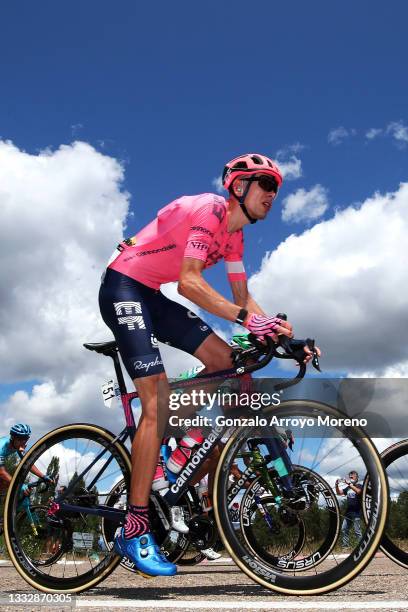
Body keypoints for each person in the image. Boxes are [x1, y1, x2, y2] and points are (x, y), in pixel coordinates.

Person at [99, 153, 320, 577]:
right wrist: (249, 320)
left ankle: (169, 439)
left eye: (277, 188)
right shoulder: (212, 209)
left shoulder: (235, 238)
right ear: (239, 186)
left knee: (225, 360)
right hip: (123, 285)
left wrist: (284, 337)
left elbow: (243, 299)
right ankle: (134, 526)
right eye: (265, 185)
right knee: (157, 402)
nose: (273, 195)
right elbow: (189, 281)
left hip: (151, 294)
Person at [0, 424, 53, 528]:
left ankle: (3, 518)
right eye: (21, 439)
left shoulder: (17, 445)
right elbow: (1, 472)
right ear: (13, 437)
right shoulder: (2, 446)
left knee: (6, 487)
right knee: (5, 481)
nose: (24, 442)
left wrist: (43, 476)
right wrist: (18, 485)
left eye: (26, 438)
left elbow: (28, 463)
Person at [335, 470, 363, 548]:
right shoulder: (348, 487)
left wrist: (349, 484)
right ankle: (345, 546)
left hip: (356, 512)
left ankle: (361, 547)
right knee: (344, 529)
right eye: (350, 476)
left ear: (357, 477)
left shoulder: (359, 485)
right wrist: (336, 485)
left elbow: (359, 492)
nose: (351, 477)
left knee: (357, 531)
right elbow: (339, 493)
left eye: (352, 476)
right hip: (348, 512)